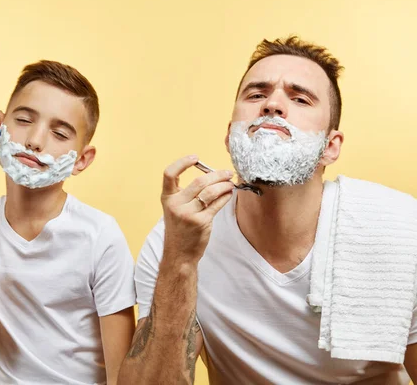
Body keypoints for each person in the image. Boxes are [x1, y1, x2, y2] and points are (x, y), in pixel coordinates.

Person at [118, 36, 417, 384]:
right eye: (257, 94)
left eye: (300, 98)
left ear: (330, 148)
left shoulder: (398, 230)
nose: (273, 105)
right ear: (231, 136)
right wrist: (180, 261)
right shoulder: (180, 237)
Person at [0, 60, 136, 385]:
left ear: (82, 160)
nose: (35, 140)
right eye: (23, 120)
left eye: (60, 133)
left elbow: (123, 376)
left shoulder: (100, 237)